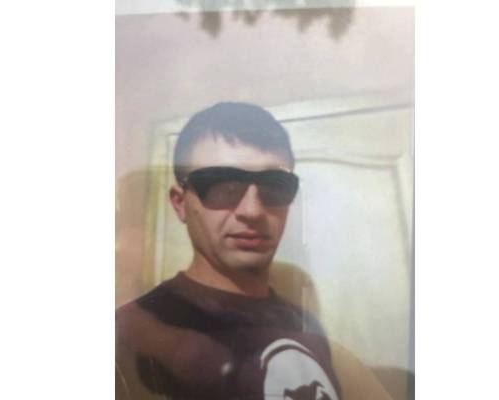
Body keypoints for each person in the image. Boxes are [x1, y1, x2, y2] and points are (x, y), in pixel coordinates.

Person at [116, 102, 343, 400]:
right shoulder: (128, 336)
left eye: (275, 186)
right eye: (223, 187)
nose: (252, 211)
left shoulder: (305, 324)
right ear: (180, 203)